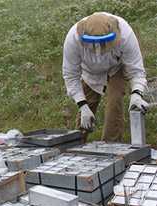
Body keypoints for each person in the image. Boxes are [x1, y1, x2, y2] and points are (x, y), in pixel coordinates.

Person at [62, 12, 149, 143]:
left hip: (116, 68)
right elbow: (71, 75)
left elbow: (136, 70)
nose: (98, 49)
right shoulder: (72, 39)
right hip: (89, 72)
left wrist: (137, 93)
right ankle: (76, 146)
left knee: (115, 103)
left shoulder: (125, 34)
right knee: (86, 108)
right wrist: (82, 105)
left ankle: (111, 147)